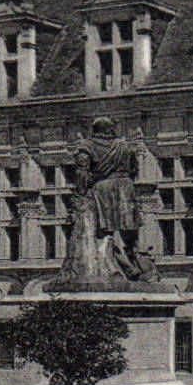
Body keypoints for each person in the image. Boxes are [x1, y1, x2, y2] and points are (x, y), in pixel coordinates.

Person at [69, 117, 157, 282]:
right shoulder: (124, 145)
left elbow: (82, 171)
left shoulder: (87, 146)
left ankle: (125, 268)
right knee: (131, 234)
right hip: (125, 187)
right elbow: (134, 168)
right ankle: (146, 270)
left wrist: (81, 192)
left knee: (103, 235)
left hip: (104, 188)